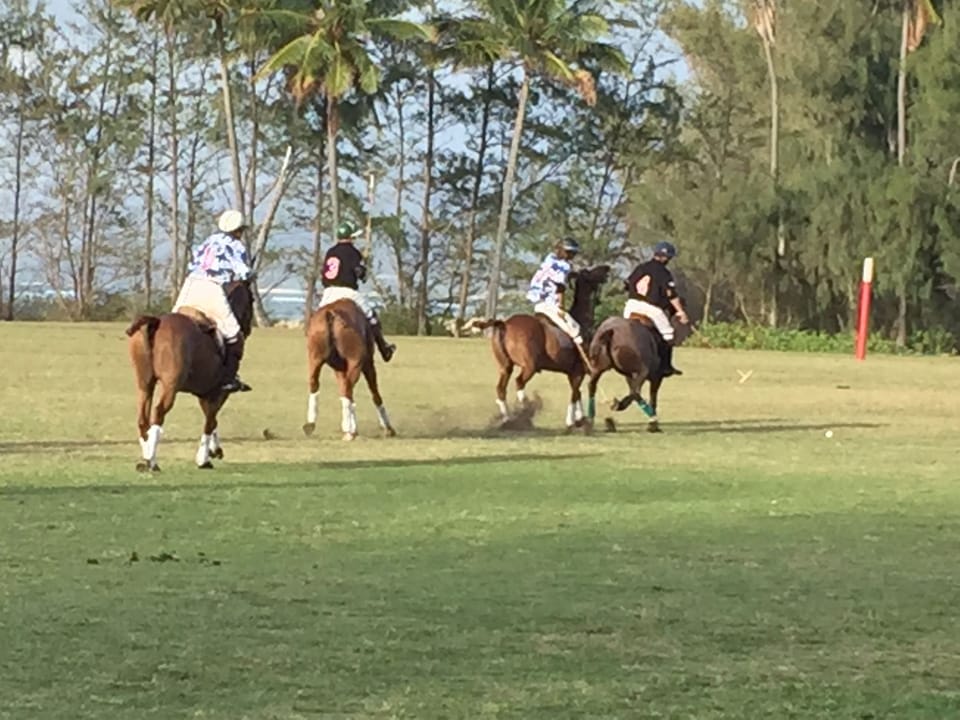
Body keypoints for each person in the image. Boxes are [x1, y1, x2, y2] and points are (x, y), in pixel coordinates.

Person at [173, 209, 253, 393]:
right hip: (211, 288)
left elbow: (193, 263)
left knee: (173, 319)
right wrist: (251, 274)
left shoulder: (208, 241)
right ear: (238, 230)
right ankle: (228, 378)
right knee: (234, 334)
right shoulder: (236, 245)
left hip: (190, 285)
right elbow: (243, 272)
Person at [318, 219, 396, 363]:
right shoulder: (353, 252)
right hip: (348, 292)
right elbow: (361, 275)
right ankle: (384, 348)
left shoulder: (331, 251)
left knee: (317, 319)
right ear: (351, 236)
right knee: (371, 317)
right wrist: (364, 269)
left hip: (328, 292)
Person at [622, 240, 689, 377]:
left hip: (631, 305)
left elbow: (627, 284)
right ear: (665, 257)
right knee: (668, 334)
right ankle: (666, 366)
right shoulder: (664, 273)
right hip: (650, 308)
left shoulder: (640, 267)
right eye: (669, 258)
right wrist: (681, 312)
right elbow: (671, 295)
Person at [526, 237, 584, 345]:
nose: (573, 256)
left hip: (535, 300)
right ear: (566, 252)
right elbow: (560, 287)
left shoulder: (549, 259)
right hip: (548, 303)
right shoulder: (563, 266)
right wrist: (561, 306)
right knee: (574, 328)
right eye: (572, 253)